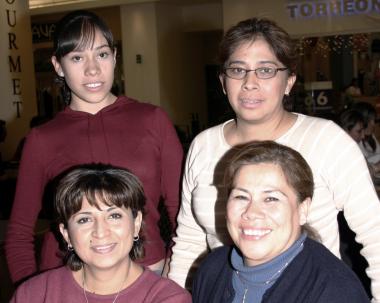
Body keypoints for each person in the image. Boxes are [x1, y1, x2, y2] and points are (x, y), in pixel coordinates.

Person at [168, 17, 380, 302]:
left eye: (266, 70)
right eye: (237, 70)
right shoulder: (204, 146)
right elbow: (190, 242)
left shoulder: (326, 140)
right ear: (223, 81)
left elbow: (375, 234)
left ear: (289, 80)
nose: (249, 83)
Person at [5, 10, 183, 284]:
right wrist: (31, 290)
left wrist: (175, 273)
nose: (92, 69)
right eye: (77, 58)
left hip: (147, 274)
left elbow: (182, 211)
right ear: (58, 65)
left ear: (114, 57)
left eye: (101, 54)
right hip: (67, 279)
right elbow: (18, 233)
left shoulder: (153, 120)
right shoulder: (42, 139)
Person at [192, 141, 370, 303]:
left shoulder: (334, 291)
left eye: (271, 199)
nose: (251, 213)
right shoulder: (212, 269)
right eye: (241, 196)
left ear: (302, 210)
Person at [10, 164, 191, 302]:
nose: (100, 232)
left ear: (136, 224)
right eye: (84, 219)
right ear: (66, 234)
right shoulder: (34, 294)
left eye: (114, 216)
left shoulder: (167, 298)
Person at [352, 102, 380, 173]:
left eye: (374, 120)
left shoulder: (371, 136)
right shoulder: (354, 139)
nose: (373, 124)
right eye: (370, 120)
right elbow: (361, 167)